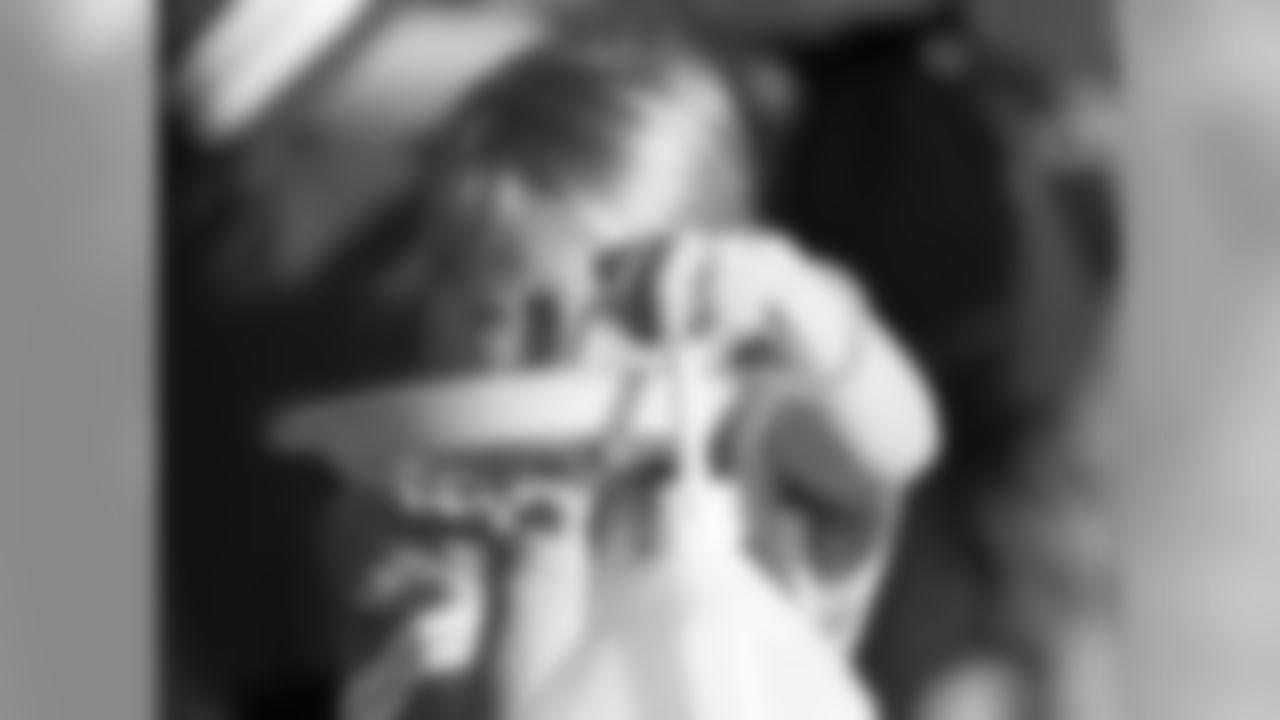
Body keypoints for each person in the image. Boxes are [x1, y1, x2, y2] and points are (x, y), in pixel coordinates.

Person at [268, 19, 942, 719]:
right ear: (431, 325)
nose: (558, 352)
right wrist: (531, 572)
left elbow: (895, 446)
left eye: (619, 313)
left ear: (709, 326)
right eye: (494, 315)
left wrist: (785, 290)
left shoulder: (750, 461)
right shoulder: (424, 526)